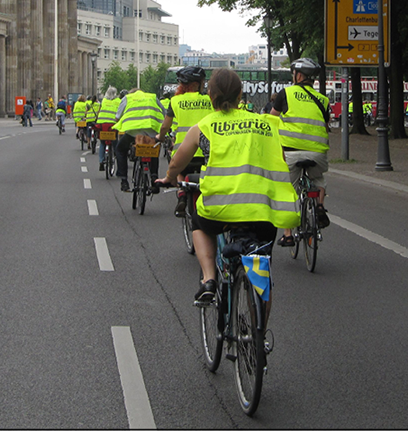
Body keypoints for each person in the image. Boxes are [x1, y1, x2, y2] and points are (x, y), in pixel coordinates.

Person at [157, 68, 300, 304]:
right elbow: (279, 161)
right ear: (240, 95)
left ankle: (209, 278)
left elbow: (176, 162)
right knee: (262, 279)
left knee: (198, 221)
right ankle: (259, 334)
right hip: (263, 211)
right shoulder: (266, 124)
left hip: (219, 209)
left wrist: (170, 178)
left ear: (210, 93)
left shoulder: (205, 126)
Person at [271, 57, 331, 246]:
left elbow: (271, 119)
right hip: (318, 153)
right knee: (319, 179)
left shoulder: (286, 94)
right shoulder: (323, 99)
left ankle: (288, 234)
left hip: (292, 152)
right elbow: (327, 125)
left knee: (288, 191)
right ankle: (319, 206)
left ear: (297, 75)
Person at [158, 66, 214, 217]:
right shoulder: (209, 100)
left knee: (180, 172)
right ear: (197, 84)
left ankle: (182, 195)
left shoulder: (175, 101)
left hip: (184, 152)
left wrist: (160, 138)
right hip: (207, 152)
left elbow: (165, 126)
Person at [113, 86, 165, 193]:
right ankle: (154, 179)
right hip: (151, 131)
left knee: (120, 149)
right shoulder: (152, 97)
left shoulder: (127, 98)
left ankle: (124, 180)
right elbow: (164, 113)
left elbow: (117, 117)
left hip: (133, 132)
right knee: (153, 152)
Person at [96, 87, 121, 170]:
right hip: (113, 125)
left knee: (102, 143)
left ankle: (101, 161)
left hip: (102, 124)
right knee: (115, 144)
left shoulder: (104, 100)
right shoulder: (118, 101)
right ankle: (118, 160)